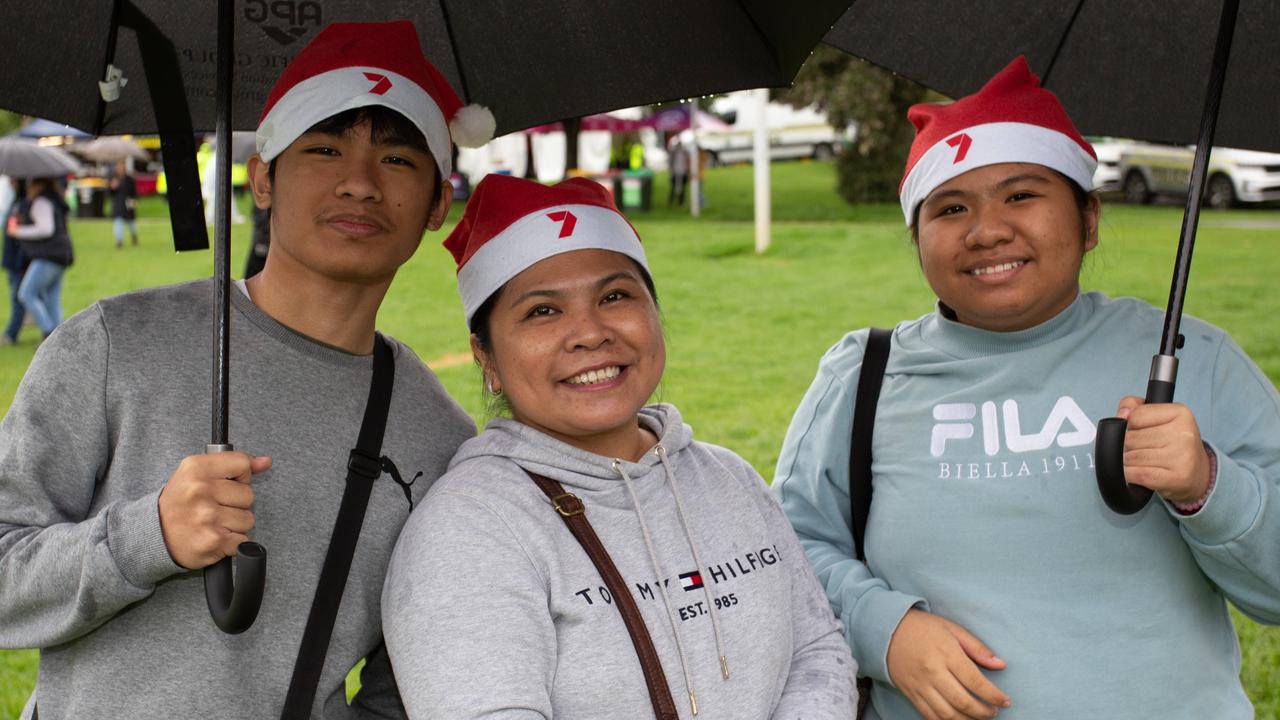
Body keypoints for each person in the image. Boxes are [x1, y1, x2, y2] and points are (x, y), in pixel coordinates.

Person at [0, 20, 494, 718]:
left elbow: (415, 676)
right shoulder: (115, 345)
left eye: (398, 160)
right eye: (324, 148)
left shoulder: (439, 440)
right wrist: (151, 537)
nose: (358, 183)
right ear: (262, 177)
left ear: (440, 204)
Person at [774, 57, 1280, 720]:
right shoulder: (861, 376)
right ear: (917, 239)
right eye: (950, 207)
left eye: (1021, 195)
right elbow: (784, 555)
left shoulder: (1193, 359)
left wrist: (1207, 486)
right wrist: (883, 630)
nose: (986, 230)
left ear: (1089, 219)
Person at [383, 174, 858, 719]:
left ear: (655, 315)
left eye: (615, 296)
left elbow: (817, 651)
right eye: (543, 310)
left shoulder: (731, 480)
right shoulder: (469, 529)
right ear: (486, 358)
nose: (589, 332)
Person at [7, 175, 72, 339]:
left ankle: (48, 332)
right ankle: (60, 338)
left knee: (26, 293)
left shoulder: (41, 202)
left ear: (39, 185)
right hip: (61, 255)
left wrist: (18, 231)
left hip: (48, 256)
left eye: (30, 183)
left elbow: (46, 229)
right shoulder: (52, 199)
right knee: (52, 298)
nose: (27, 187)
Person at [0, 176, 25, 345]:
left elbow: (18, 234)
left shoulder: (21, 205)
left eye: (13, 180)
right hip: (12, 258)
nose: (10, 183)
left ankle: (11, 334)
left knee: (19, 297)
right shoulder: (16, 202)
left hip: (18, 260)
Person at [109, 160, 140, 248]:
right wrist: (112, 188)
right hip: (118, 205)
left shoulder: (129, 179)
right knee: (118, 223)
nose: (120, 168)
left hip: (128, 205)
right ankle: (119, 241)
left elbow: (134, 192)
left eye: (122, 166)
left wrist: (135, 200)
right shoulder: (113, 179)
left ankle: (134, 236)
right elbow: (109, 194)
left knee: (131, 225)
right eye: (118, 167)